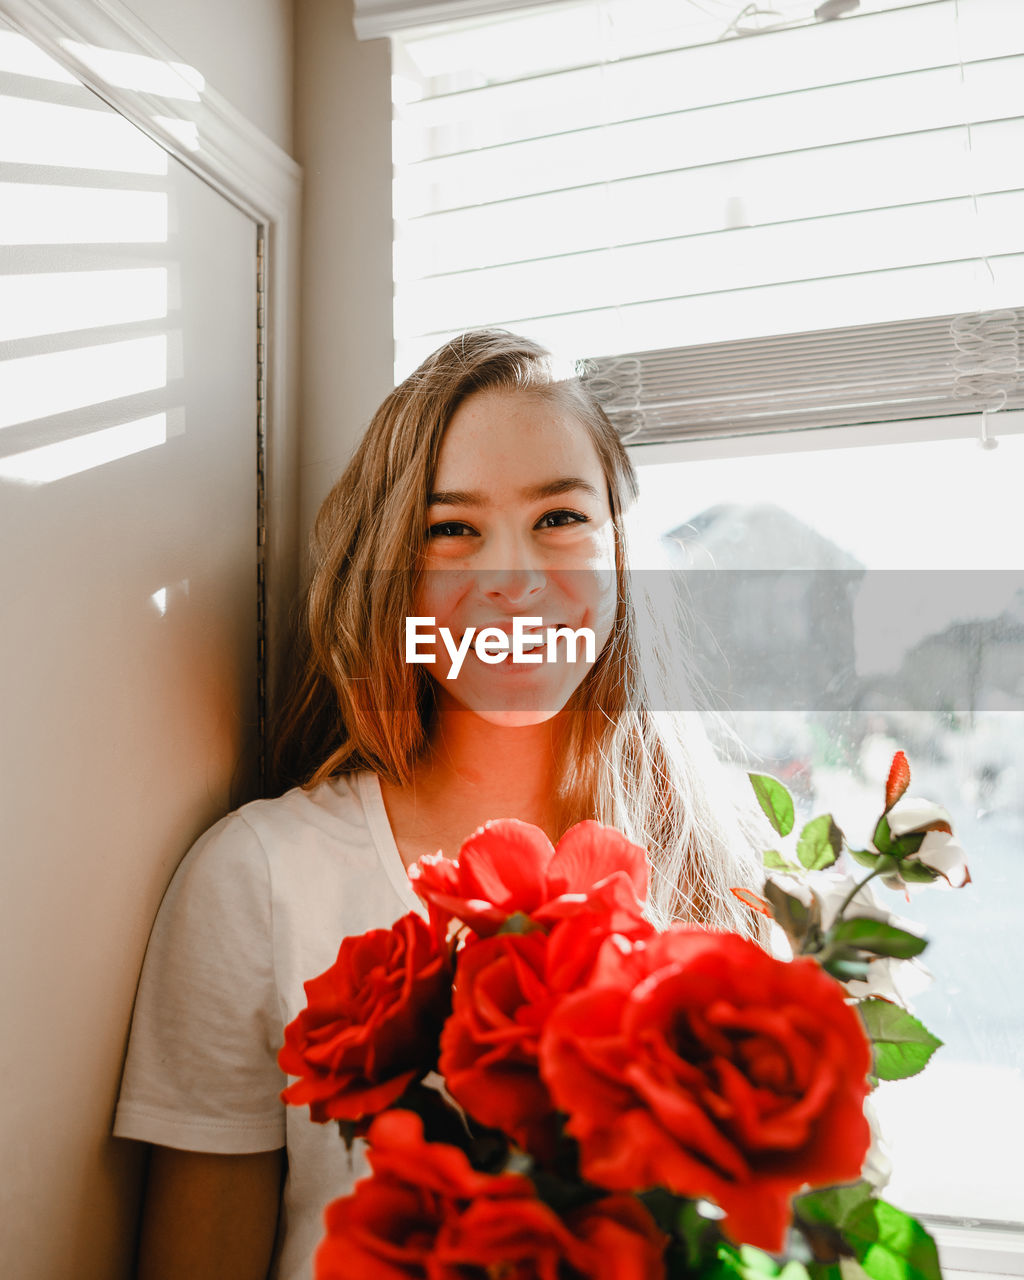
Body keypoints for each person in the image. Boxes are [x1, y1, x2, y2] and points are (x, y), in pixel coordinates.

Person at [113, 329, 768, 1280]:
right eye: (451, 528)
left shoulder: (717, 866)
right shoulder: (259, 877)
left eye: (559, 518)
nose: (514, 577)